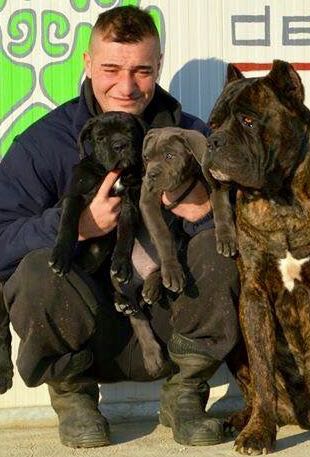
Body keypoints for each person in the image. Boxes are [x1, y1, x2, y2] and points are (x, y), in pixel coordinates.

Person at [0, 6, 239, 449]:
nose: (126, 87)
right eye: (111, 69)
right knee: (34, 270)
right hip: (88, 333)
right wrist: (73, 226)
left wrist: (207, 213)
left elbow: (261, 233)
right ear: (88, 64)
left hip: (170, 325)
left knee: (218, 248)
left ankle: (186, 395)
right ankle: (74, 399)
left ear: (159, 66)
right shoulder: (43, 144)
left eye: (141, 71)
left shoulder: (193, 138)